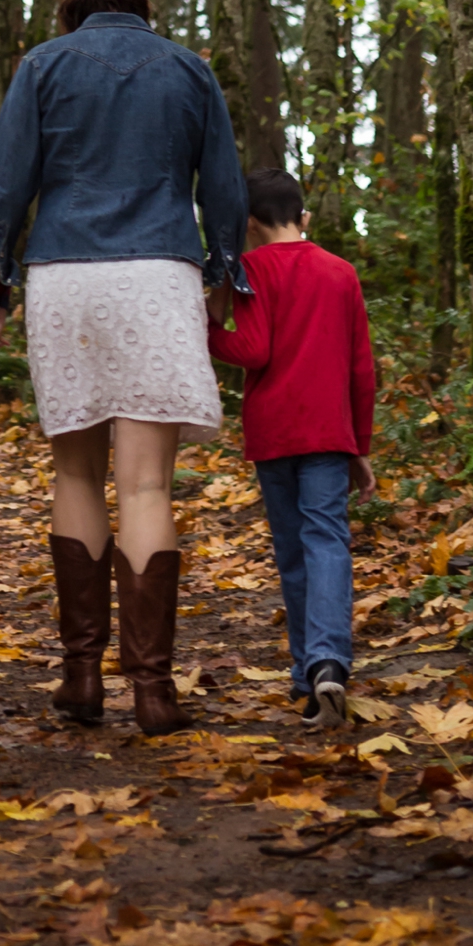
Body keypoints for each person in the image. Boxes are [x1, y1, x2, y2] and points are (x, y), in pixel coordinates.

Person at [0, 0, 247, 736]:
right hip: (158, 271)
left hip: (66, 274)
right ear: (139, 1)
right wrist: (227, 275)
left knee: (76, 471)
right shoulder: (188, 71)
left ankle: (82, 678)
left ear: (70, 6)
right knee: (147, 486)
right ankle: (153, 690)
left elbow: (5, 180)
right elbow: (223, 183)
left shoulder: (45, 66)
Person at [205, 164, 376, 730]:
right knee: (328, 540)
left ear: (249, 223)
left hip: (275, 431)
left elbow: (252, 351)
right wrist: (361, 445)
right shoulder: (341, 272)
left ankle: (308, 674)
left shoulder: (250, 269)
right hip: (330, 432)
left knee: (293, 552)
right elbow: (361, 369)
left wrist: (206, 325)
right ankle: (329, 662)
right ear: (304, 216)